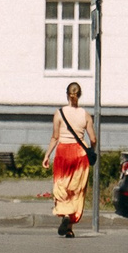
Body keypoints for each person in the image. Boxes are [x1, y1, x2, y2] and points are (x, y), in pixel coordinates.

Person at [49, 82, 95, 237]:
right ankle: (70, 226)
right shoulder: (86, 115)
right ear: (79, 95)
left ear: (67, 94)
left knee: (62, 186)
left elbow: (55, 137)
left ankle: (65, 216)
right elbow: (93, 139)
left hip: (63, 152)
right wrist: (92, 151)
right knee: (76, 189)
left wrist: (46, 155)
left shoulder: (59, 113)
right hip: (79, 154)